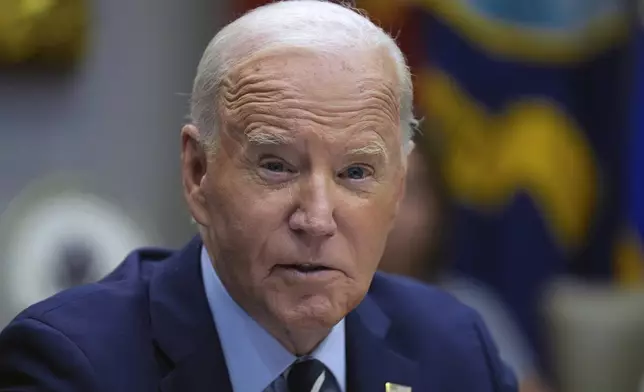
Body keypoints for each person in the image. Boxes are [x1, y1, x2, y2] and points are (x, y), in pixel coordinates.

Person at [0, 1, 518, 391]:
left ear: (399, 187)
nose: (316, 218)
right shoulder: (71, 365)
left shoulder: (456, 353)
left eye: (356, 172)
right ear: (198, 172)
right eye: (276, 166)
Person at [380, 134, 550, 392]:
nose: (393, 211)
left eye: (410, 192)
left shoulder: (468, 310)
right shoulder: (316, 315)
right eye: (377, 188)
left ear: (437, 210)